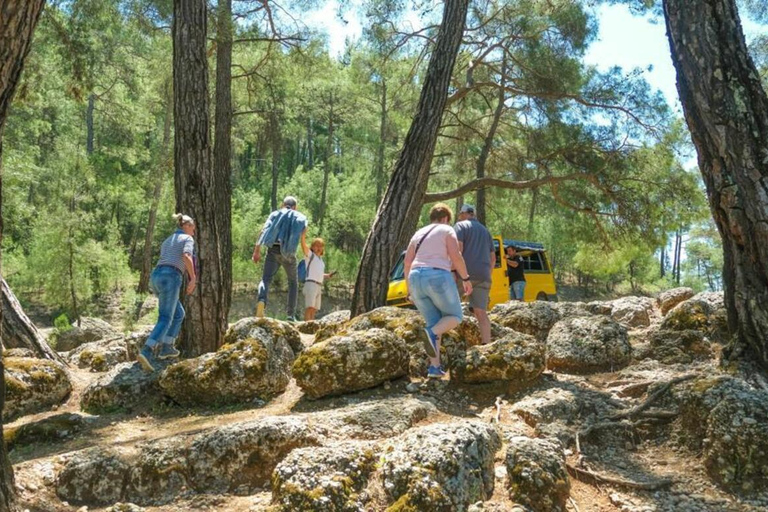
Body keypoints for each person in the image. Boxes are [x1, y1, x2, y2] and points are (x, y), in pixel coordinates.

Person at [405, 203, 473, 379]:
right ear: (445, 219)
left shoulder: (418, 233)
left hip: (415, 278)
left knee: (434, 323)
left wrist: (409, 289)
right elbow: (456, 255)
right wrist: (465, 278)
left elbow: (407, 262)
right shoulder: (446, 230)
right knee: (455, 316)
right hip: (436, 276)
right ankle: (430, 334)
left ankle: (434, 368)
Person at [138, 213, 197, 372]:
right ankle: (147, 350)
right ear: (186, 226)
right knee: (165, 317)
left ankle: (167, 347)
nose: (194, 231)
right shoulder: (187, 239)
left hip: (156, 278)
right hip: (171, 277)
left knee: (178, 314)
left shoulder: (167, 240)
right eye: (193, 227)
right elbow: (186, 256)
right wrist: (193, 278)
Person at [253, 196, 308, 321]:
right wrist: (305, 251)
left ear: (283, 205)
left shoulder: (274, 214)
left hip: (273, 250)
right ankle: (290, 315)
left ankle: (261, 300)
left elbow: (263, 231)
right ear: (295, 207)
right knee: (293, 283)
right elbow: (302, 235)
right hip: (289, 253)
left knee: (265, 279)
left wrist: (256, 251)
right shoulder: (300, 217)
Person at [454, 204, 495, 345]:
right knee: (481, 313)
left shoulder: (460, 227)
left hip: (464, 275)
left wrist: (454, 271)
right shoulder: (486, 231)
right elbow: (493, 258)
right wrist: (487, 275)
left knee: (449, 306)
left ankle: (445, 340)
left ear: (465, 214)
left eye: (460, 214)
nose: (459, 217)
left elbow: (458, 251)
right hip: (483, 276)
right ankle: (486, 345)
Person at [302, 238, 335, 321]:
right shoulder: (310, 256)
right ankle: (306, 326)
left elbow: (318, 273)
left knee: (314, 309)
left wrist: (327, 275)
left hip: (319, 285)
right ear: (312, 247)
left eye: (321, 246)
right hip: (311, 283)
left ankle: (311, 326)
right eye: (316, 245)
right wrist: (303, 237)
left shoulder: (321, 260)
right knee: (309, 307)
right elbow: (304, 247)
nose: (319, 248)